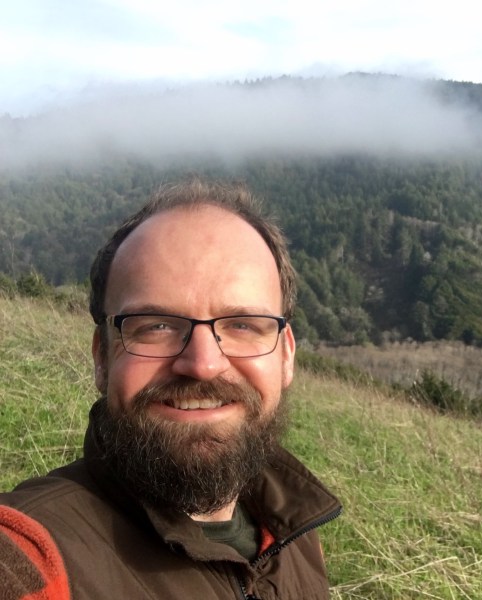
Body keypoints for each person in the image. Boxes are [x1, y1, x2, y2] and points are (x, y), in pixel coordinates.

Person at [0, 179, 342, 599]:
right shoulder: (32, 552)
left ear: (286, 356)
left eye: (242, 325)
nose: (203, 364)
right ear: (102, 357)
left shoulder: (295, 533)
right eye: (157, 326)